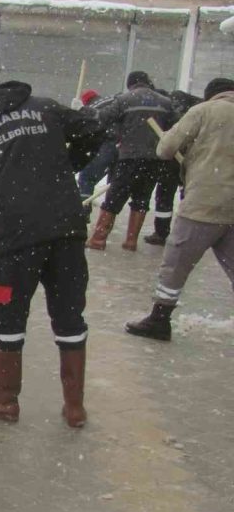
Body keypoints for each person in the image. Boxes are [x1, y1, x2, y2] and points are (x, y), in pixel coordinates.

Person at [0, 66, 103, 428]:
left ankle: (4, 400)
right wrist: (65, 165)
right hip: (66, 227)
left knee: (6, 315)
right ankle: (74, 408)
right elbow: (95, 128)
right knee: (69, 316)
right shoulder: (44, 106)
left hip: (16, 236)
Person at [125, 77, 234, 341]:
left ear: (211, 95)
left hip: (203, 203)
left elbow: (165, 148)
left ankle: (159, 320)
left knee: (176, 263)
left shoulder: (202, 111)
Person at [87, 71, 175, 252]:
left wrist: (85, 112)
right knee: (141, 199)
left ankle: (98, 239)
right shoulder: (165, 102)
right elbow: (175, 126)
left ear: (130, 84)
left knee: (113, 198)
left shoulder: (124, 99)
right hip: (153, 159)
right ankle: (131, 241)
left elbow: (102, 118)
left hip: (129, 157)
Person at [143, 89, 203, 245]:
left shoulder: (172, 106)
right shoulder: (192, 104)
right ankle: (189, 235)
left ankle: (162, 233)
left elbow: (177, 132)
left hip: (176, 157)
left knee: (166, 194)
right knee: (188, 194)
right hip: (190, 157)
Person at [75, 88, 118, 223]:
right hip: (124, 144)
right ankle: (109, 215)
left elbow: (85, 129)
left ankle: (84, 212)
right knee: (115, 183)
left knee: (86, 177)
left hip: (108, 143)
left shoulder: (91, 108)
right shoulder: (112, 101)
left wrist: (79, 112)